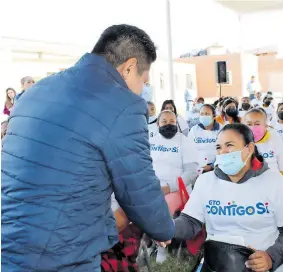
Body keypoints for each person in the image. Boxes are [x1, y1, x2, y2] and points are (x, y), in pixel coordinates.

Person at [1, 24, 174, 271]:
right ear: (129, 68)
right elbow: (138, 186)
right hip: (62, 252)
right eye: (143, 81)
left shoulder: (35, 91)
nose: (141, 90)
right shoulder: (123, 104)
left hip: (9, 242)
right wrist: (163, 228)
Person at [168, 124, 283, 272]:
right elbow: (190, 222)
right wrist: (167, 229)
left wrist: (271, 257)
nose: (223, 152)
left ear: (249, 149)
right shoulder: (206, 181)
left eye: (229, 145)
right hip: (217, 265)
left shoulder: (274, 181)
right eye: (218, 147)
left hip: (261, 267)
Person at [150, 110, 199, 263]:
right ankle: (149, 240)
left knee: (163, 208)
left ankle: (162, 248)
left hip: (177, 189)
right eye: (164, 121)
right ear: (158, 124)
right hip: (153, 186)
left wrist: (168, 188)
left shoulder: (184, 141)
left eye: (172, 121)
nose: (168, 124)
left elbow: (191, 173)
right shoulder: (150, 141)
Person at [243, 109, 283, 189]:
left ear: (265, 125)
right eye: (249, 124)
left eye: (257, 124)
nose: (252, 127)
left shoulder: (274, 140)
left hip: (273, 188)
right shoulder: (239, 142)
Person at [188, 104, 222, 173]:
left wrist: (211, 166)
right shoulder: (194, 130)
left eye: (207, 114)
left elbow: (224, 152)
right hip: (197, 167)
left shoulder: (221, 130)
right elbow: (188, 149)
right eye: (202, 114)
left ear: (214, 116)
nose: (204, 116)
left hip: (217, 167)